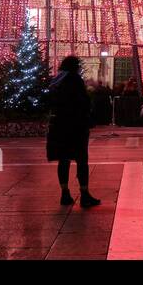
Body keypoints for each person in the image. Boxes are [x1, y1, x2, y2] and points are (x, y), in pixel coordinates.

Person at [47, 56, 100, 208]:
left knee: (63, 160)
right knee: (81, 160)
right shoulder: (75, 80)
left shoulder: (56, 80)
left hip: (58, 125)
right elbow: (82, 102)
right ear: (75, 66)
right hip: (75, 126)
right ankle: (84, 194)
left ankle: (65, 193)